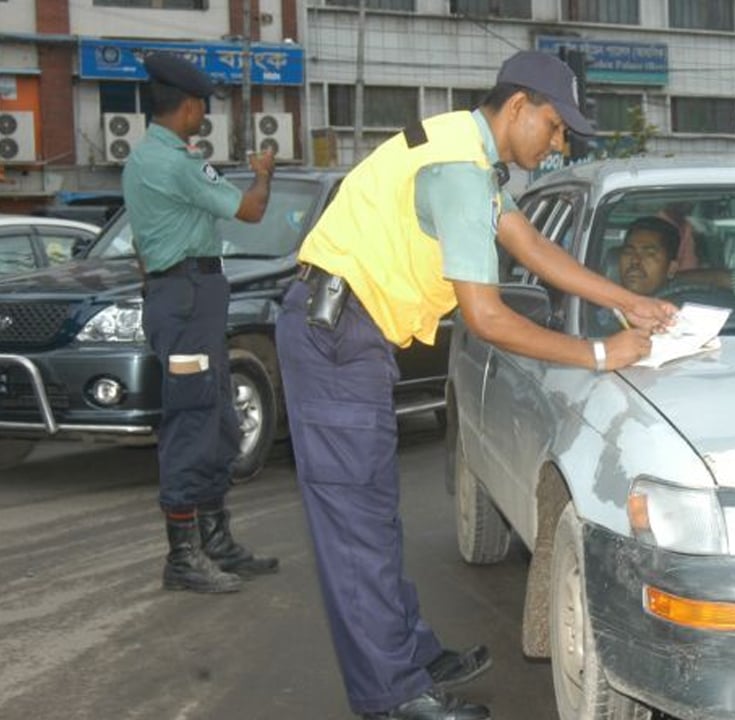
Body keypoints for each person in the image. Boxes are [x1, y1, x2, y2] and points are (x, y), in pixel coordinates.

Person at [274, 50, 675, 720]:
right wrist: (602, 351)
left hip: (350, 334)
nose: (558, 143)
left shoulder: (468, 151)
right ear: (518, 107)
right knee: (355, 527)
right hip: (336, 337)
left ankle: (407, 654)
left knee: (372, 515)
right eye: (553, 126)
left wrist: (626, 301)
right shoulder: (459, 172)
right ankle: (391, 697)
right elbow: (487, 318)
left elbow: (528, 243)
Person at [122, 53, 278, 595]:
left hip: (188, 295)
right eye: (202, 108)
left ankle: (215, 540)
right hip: (187, 298)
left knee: (215, 414)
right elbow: (251, 212)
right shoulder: (174, 164)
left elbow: (144, 248)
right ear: (187, 107)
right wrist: (263, 176)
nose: (203, 116)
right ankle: (183, 556)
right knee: (192, 419)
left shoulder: (150, 160)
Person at [617, 216, 681, 296]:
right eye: (628, 252)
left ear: (671, 268)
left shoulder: (686, 308)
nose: (635, 261)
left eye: (648, 254)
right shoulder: (602, 306)